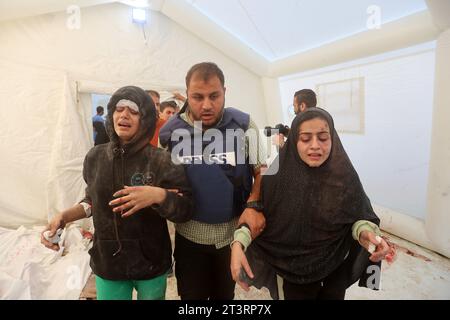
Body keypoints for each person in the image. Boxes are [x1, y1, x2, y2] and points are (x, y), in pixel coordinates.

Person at [41, 86, 193, 300]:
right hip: (109, 263)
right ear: (111, 114)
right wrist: (64, 217)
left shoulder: (162, 160)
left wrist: (158, 195)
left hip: (151, 262)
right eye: (119, 108)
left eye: (133, 111)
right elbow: (92, 202)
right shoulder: (95, 157)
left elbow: (185, 209)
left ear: (146, 119)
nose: (124, 114)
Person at [230, 107, 390, 300]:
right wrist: (239, 244)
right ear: (294, 142)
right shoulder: (276, 181)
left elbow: (357, 215)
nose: (315, 145)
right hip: (290, 276)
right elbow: (255, 218)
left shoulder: (345, 177)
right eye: (305, 139)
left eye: (323, 138)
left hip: (334, 270)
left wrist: (365, 233)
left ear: (333, 139)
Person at [159, 62, 266, 300]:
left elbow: (262, 171)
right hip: (188, 239)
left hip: (230, 237)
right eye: (197, 97)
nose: (206, 105)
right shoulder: (169, 133)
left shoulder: (245, 125)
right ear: (186, 95)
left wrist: (253, 204)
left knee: (223, 297)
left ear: (225, 92)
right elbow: (162, 182)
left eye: (214, 96)